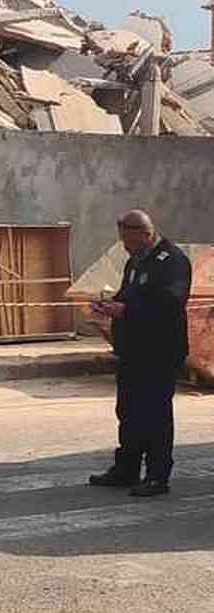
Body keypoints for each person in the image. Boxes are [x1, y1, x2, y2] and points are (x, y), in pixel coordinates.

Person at [89, 209, 191, 498]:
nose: (124, 246)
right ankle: (127, 468)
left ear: (146, 234)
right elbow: (128, 295)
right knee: (129, 411)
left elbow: (171, 303)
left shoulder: (172, 261)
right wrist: (108, 305)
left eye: (129, 240)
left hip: (160, 351)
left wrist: (127, 310)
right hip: (133, 350)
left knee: (155, 414)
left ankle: (157, 476)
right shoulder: (136, 260)